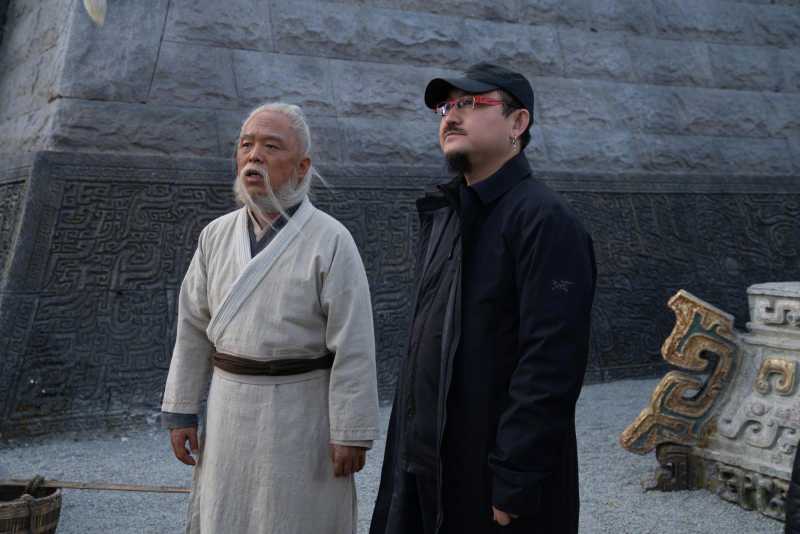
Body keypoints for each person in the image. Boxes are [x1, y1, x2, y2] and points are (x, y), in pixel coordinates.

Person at [370, 63, 597, 534]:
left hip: (491, 482)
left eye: (471, 103)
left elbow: (550, 364)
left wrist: (515, 477)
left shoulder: (545, 221)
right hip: (428, 464)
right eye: (446, 106)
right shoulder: (446, 214)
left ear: (518, 123)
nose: (452, 116)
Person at [161, 102, 379, 534]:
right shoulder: (215, 236)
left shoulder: (331, 240)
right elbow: (192, 329)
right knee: (229, 513)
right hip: (229, 408)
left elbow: (353, 343)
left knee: (297, 517)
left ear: (302, 166)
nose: (254, 155)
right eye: (246, 145)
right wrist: (182, 412)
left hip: (301, 414)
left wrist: (351, 431)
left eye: (271, 146)